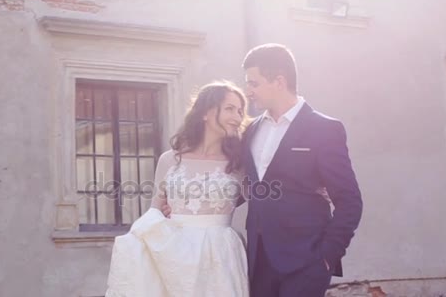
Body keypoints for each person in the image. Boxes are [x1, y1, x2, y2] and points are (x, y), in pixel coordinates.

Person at [105, 81, 250, 297]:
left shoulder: (240, 163)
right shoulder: (170, 160)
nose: (237, 118)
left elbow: (263, 201)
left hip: (220, 255)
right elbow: (155, 210)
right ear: (205, 113)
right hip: (173, 255)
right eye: (230, 109)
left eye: (240, 111)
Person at [241, 43, 363, 297]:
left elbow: (349, 201)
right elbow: (246, 188)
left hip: (306, 262)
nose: (248, 92)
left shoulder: (324, 129)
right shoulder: (251, 131)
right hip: (258, 263)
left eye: (253, 83)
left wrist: (327, 257)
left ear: (279, 81)